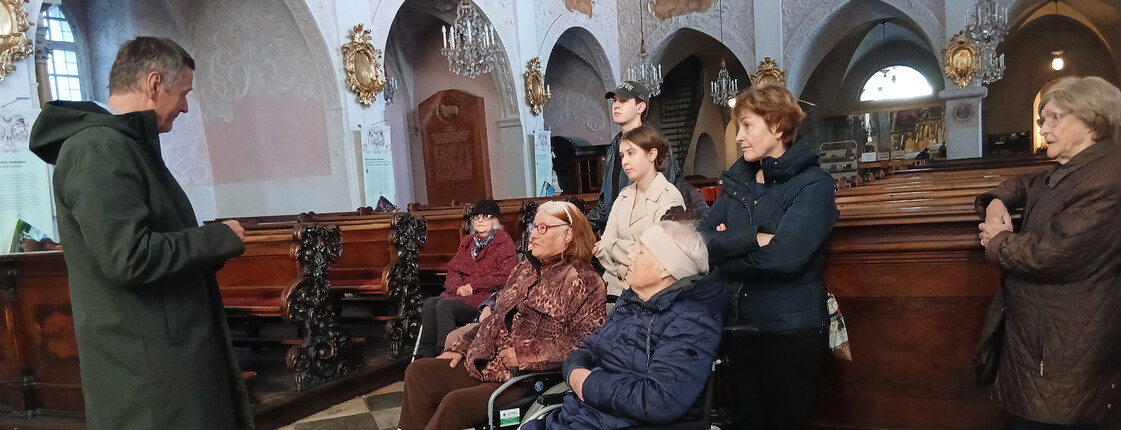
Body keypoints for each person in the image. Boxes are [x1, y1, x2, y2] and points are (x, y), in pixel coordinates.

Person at [28, 37, 252, 430]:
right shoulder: (99, 148)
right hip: (148, 372)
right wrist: (218, 238)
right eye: (182, 93)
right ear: (153, 84)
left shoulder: (123, 145)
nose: (184, 106)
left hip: (163, 358)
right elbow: (129, 258)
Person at [976, 76, 1121, 430]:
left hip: (1065, 349)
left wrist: (997, 240)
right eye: (1043, 120)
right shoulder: (1077, 167)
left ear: (1091, 120)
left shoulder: (1107, 178)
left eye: (1054, 118)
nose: (1044, 128)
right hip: (1046, 341)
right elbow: (1027, 183)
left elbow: (1056, 252)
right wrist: (997, 202)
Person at [698, 82, 839, 430]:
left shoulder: (814, 184)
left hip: (788, 331)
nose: (739, 136)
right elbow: (699, 243)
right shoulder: (738, 182)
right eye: (739, 126)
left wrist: (726, 248)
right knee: (747, 423)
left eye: (747, 125)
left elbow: (784, 258)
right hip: (737, 327)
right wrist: (754, 238)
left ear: (777, 126)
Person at [398, 201, 607, 430]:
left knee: (455, 403)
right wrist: (460, 346)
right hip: (486, 362)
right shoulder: (523, 269)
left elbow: (586, 342)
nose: (533, 235)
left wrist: (525, 355)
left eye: (542, 228)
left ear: (568, 234)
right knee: (418, 373)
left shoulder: (584, 281)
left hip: (523, 378)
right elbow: (494, 318)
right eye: (533, 227)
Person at [523, 221, 729, 429]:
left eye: (641, 251)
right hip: (579, 417)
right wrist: (575, 373)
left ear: (665, 268)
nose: (630, 254)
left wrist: (588, 384)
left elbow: (659, 400)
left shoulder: (693, 320)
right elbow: (585, 350)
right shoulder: (631, 302)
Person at [419, 199, 517, 357]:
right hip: (459, 294)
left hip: (482, 298)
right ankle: (428, 356)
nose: (480, 219)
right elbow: (453, 269)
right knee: (430, 304)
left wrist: (473, 286)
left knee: (444, 306)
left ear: (495, 221)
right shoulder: (467, 242)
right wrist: (458, 287)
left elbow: (507, 275)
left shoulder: (504, 243)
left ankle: (447, 353)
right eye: (477, 216)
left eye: (486, 216)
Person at [595, 125, 684, 298]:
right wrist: (631, 250)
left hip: (645, 295)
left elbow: (656, 258)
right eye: (622, 155)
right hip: (610, 291)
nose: (625, 162)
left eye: (631, 153)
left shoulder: (668, 197)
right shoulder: (624, 196)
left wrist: (615, 246)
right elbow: (604, 246)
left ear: (652, 154)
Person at [586, 80, 683, 234]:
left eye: (623, 101)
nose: (616, 105)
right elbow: (606, 204)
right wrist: (580, 229)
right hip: (615, 230)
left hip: (643, 234)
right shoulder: (614, 147)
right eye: (615, 101)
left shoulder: (655, 143)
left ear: (640, 107)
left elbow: (662, 202)